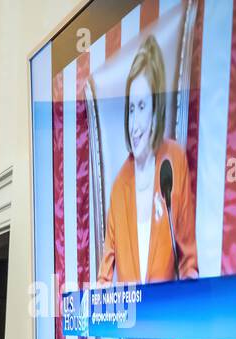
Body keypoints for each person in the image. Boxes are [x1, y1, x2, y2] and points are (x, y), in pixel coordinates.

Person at [98, 37, 198, 287]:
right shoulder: (120, 184)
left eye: (141, 106)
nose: (134, 125)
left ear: (156, 112)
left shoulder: (173, 161)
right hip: (131, 321)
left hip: (170, 317)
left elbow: (188, 261)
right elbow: (105, 276)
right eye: (131, 109)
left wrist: (190, 304)